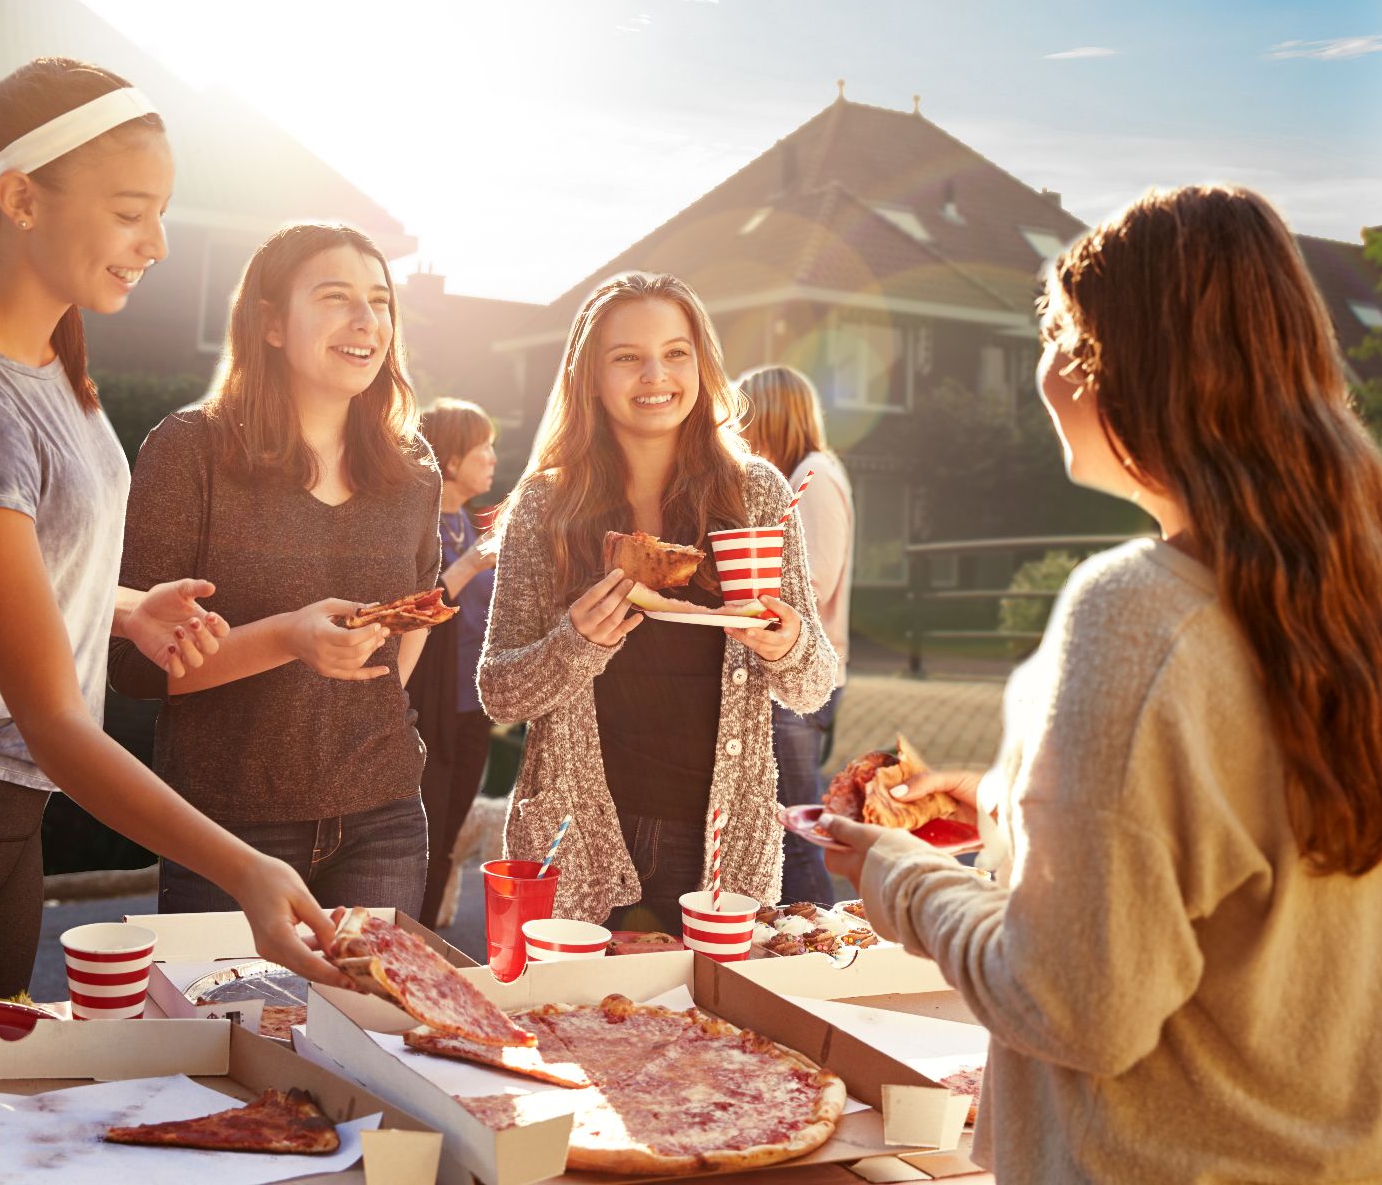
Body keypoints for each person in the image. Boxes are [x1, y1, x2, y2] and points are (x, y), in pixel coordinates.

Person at [821, 185, 1382, 1181]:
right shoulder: (1375, 586)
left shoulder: (1137, 611)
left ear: (1115, 365)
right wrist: (1013, 803)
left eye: (1056, 334)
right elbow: (1249, 846)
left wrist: (898, 875)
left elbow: (1073, 1002)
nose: (1045, 370)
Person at [0, 59, 346, 1020]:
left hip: (6, 835)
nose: (158, 242)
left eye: (162, 212)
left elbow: (13, 571)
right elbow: (53, 721)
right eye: (133, 210)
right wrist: (246, 869)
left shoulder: (51, 365)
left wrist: (122, 610)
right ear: (19, 198)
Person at [479, 272, 839, 935]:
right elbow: (499, 692)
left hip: (720, 849)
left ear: (702, 365)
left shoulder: (754, 495)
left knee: (715, 1035)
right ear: (590, 375)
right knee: (571, 1030)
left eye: (676, 353)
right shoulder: (546, 506)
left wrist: (787, 643)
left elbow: (815, 683)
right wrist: (574, 644)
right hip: (571, 835)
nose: (656, 375)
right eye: (627, 357)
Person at [111, 223, 439, 917]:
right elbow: (136, 668)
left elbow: (416, 616)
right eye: (335, 297)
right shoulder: (188, 451)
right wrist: (290, 637)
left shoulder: (413, 471)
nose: (366, 321)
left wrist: (359, 706)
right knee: (228, 1027)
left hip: (385, 817)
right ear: (271, 325)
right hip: (227, 826)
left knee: (369, 1026)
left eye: (380, 301)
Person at [736, 365, 854, 905]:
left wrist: (741, 591)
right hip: (786, 671)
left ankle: (820, 942)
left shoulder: (815, 477)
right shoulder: (801, 474)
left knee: (794, 827)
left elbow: (815, 577)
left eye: (745, 415)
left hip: (800, 679)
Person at [409, 398, 501, 927]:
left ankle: (420, 948)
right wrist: (472, 563)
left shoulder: (469, 523)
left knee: (448, 839)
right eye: (482, 446)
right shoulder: (417, 525)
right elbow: (416, 607)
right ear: (448, 460)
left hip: (474, 709)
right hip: (430, 710)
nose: (492, 457)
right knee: (424, 835)